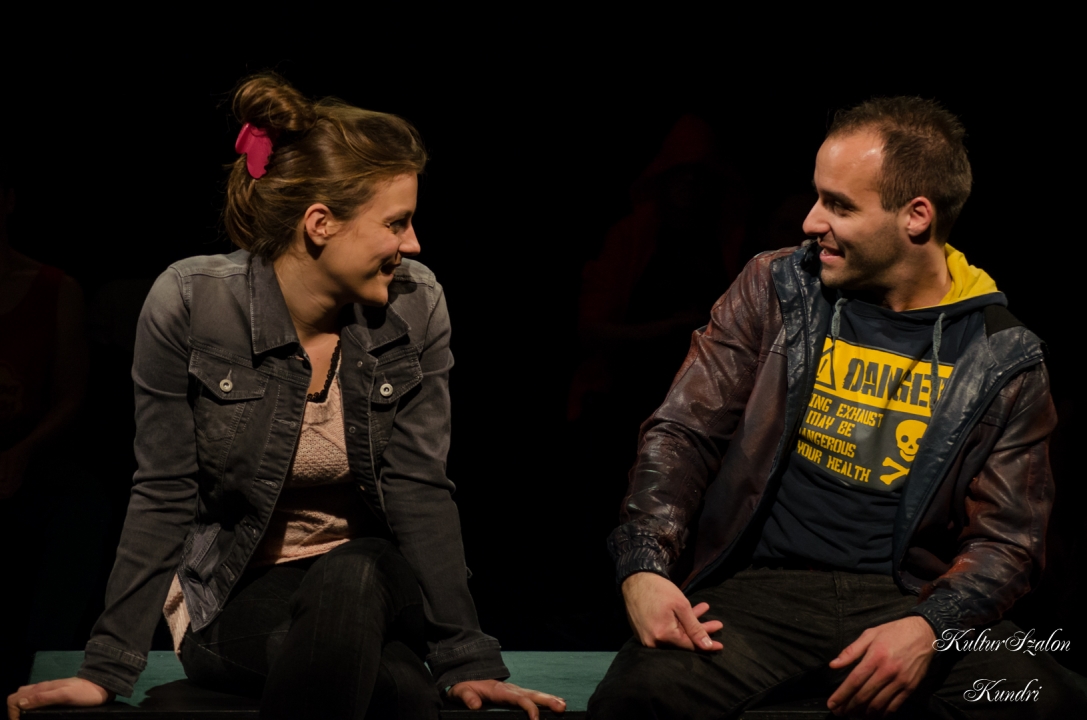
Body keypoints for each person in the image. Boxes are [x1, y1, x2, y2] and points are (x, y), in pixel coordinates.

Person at [6, 74, 565, 720]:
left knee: (351, 573)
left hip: (381, 582)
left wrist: (467, 659)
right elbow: (164, 490)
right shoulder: (191, 304)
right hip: (239, 594)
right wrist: (106, 668)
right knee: (398, 688)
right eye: (397, 223)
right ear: (320, 223)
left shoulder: (416, 304)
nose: (413, 243)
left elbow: (419, 486)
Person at [587, 97, 1087, 718]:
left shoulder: (1004, 356)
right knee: (638, 698)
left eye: (839, 205)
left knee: (1047, 699)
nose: (810, 220)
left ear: (916, 217)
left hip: (911, 599)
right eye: (817, 196)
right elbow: (684, 431)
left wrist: (931, 626)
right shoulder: (775, 288)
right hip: (763, 592)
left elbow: (1010, 539)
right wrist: (643, 564)